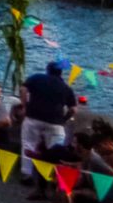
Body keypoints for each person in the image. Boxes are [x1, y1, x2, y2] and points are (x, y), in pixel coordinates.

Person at [25, 59, 80, 192]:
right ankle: (56, 183)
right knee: (54, 153)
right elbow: (73, 109)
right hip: (55, 124)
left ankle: (27, 174)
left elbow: (23, 89)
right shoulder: (66, 88)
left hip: (33, 118)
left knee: (30, 145)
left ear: (47, 70)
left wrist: (25, 106)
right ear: (61, 73)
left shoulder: (36, 78)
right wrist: (63, 120)